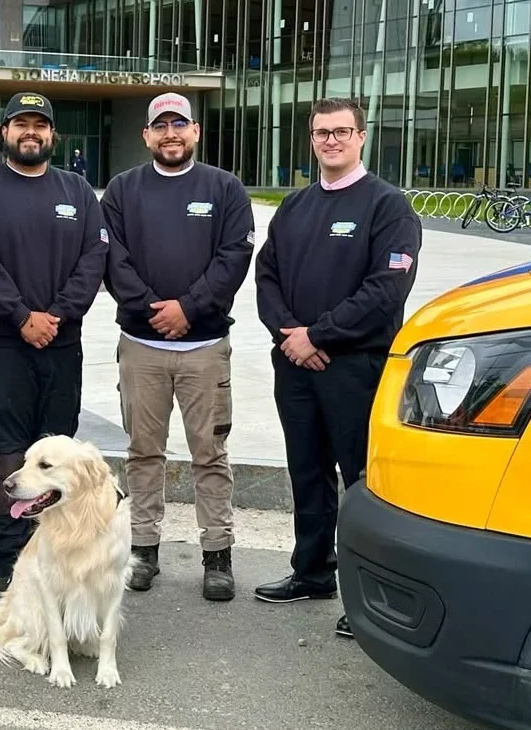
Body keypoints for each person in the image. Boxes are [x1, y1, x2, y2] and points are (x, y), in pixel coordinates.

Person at [252, 97, 422, 637]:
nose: (331, 140)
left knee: (361, 481)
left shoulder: (388, 206)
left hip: (355, 367)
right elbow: (267, 277)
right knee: (307, 472)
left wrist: (318, 335)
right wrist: (291, 337)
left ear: (361, 137)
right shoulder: (295, 207)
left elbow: (385, 289)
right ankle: (312, 572)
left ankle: (365, 596)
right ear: (311, 139)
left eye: (342, 131)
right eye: (322, 132)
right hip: (295, 365)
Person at [0, 92, 108, 593]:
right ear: (5, 131)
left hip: (60, 346)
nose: (31, 132)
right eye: (22, 123)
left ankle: (53, 554)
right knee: (4, 452)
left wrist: (56, 316)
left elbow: (93, 259)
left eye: (40, 124)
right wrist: (21, 317)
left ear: (53, 135)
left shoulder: (78, 191)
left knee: (55, 454)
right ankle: (9, 559)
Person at [101, 92, 255, 602]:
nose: (170, 133)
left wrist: (188, 309)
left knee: (210, 453)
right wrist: (153, 309)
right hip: (141, 346)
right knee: (143, 452)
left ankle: (217, 556)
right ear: (146, 135)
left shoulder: (225, 189)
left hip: (206, 347)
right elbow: (113, 261)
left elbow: (233, 258)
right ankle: (143, 549)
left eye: (179, 124)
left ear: (196, 132)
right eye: (160, 125)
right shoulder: (123, 191)